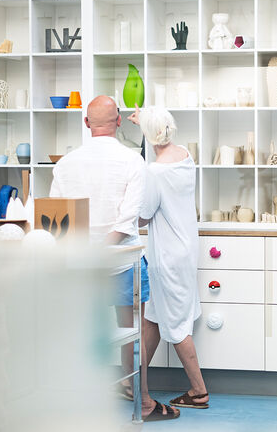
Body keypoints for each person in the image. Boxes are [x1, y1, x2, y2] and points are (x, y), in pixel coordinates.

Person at [48, 96, 159, 415]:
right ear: (119, 121)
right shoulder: (132, 160)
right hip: (122, 260)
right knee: (132, 331)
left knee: (80, 330)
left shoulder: (66, 164)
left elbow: (56, 218)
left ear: (86, 123)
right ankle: (141, 398)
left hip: (79, 264)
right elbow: (127, 219)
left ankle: (78, 399)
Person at [127, 106, 208, 420]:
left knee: (175, 323)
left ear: (149, 136)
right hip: (185, 249)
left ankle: (199, 391)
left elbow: (144, 216)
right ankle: (133, 380)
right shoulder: (185, 156)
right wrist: (145, 124)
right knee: (153, 318)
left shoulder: (155, 172)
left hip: (167, 256)